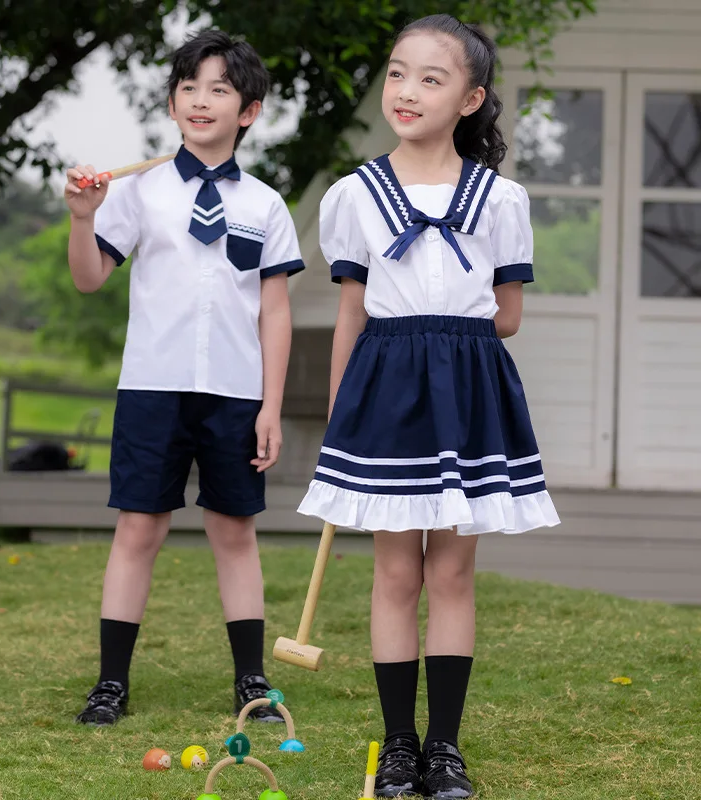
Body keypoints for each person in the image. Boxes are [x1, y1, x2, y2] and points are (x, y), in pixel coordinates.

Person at [298, 14, 559, 799]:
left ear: (472, 99)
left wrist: (448, 330)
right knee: (394, 574)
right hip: (386, 395)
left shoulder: (501, 199)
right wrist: (344, 415)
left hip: (469, 394)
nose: (406, 91)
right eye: (397, 73)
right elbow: (352, 313)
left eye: (431, 79)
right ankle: (401, 746)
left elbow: (507, 312)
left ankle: (445, 747)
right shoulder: (354, 193)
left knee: (451, 572)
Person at [63, 30, 304, 727]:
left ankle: (252, 683)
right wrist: (83, 219)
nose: (201, 100)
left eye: (219, 89)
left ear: (248, 111)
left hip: (236, 393)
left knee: (235, 532)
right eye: (189, 87)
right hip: (151, 385)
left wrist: (271, 405)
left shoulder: (265, 205)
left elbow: (276, 313)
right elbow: (88, 279)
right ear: (172, 101)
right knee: (138, 528)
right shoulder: (137, 193)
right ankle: (111, 683)